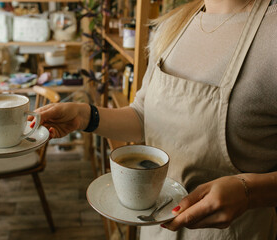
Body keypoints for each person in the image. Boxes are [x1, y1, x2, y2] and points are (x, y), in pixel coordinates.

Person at [30, 0, 277, 239]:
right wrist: (85, 116)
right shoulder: (173, 25)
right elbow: (144, 115)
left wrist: (251, 192)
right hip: (156, 225)